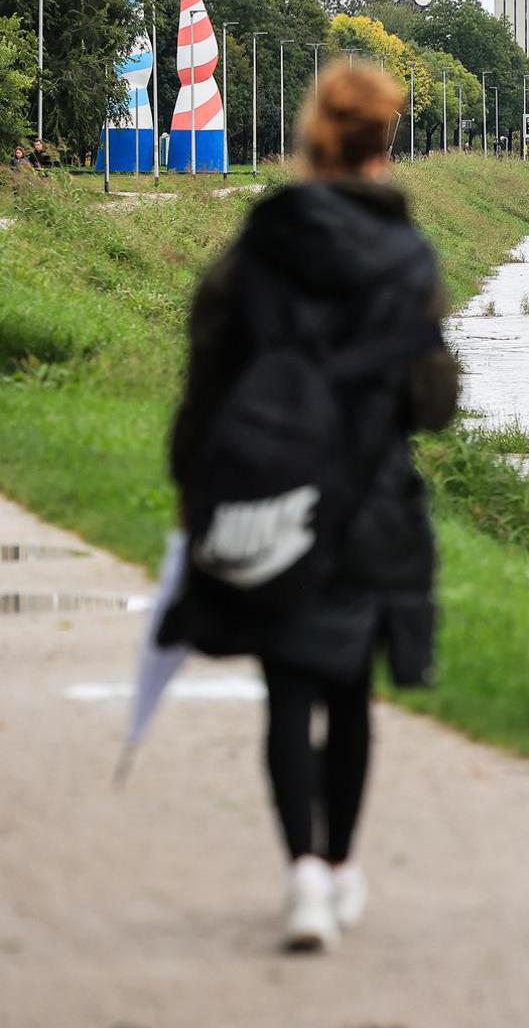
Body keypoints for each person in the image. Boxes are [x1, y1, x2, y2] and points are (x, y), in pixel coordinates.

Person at [166, 64, 459, 953]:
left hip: (274, 492)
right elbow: (435, 400)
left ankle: (299, 873)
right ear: (383, 142)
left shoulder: (264, 239)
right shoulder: (409, 256)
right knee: (351, 693)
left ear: (313, 135)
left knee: (286, 687)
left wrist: (198, 495)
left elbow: (208, 370)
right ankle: (338, 871)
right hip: (369, 501)